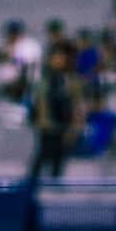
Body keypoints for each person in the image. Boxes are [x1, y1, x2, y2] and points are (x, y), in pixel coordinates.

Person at [28, 42, 83, 180]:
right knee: (42, 157)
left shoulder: (70, 79)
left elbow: (76, 103)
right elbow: (41, 101)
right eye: (56, 57)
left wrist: (74, 126)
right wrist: (44, 122)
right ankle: (30, 187)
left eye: (61, 57)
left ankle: (55, 185)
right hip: (49, 126)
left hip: (64, 125)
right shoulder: (44, 79)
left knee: (59, 161)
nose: (59, 60)